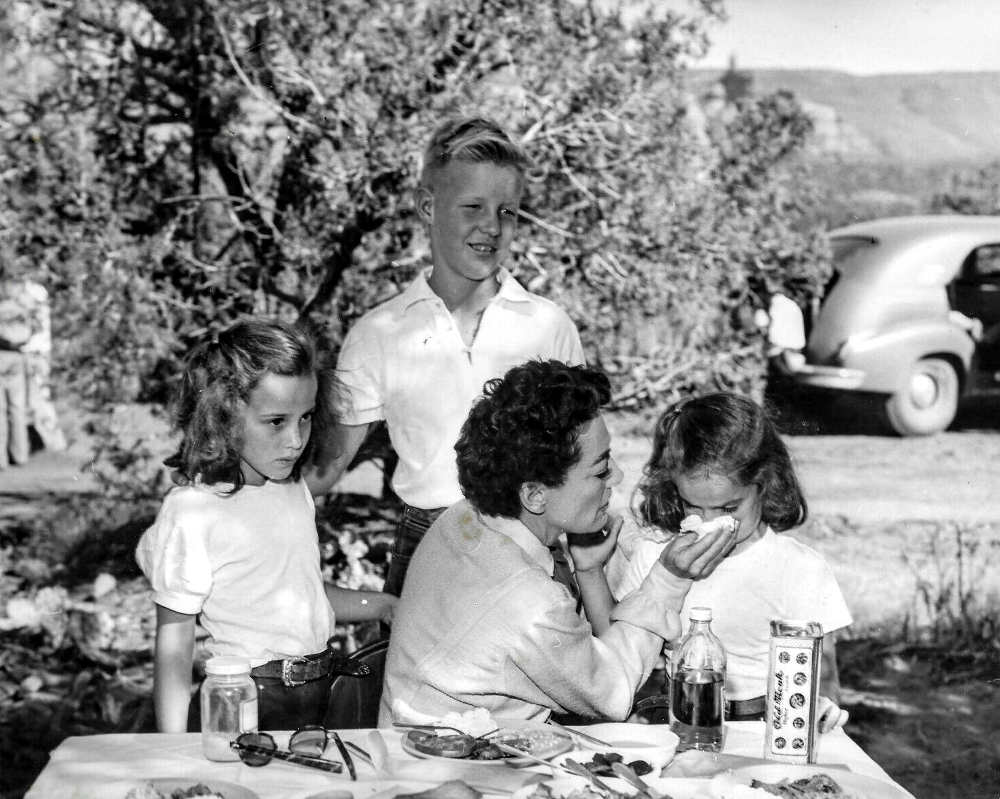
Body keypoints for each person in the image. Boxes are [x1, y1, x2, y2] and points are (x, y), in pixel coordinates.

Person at [307, 116, 585, 596]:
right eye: (472, 206)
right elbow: (324, 469)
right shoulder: (379, 333)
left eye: (508, 211)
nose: (491, 227)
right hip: (427, 551)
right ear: (428, 206)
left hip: (534, 550)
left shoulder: (548, 325)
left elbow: (583, 460)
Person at [378, 360, 738, 725]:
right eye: (600, 470)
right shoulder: (530, 603)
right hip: (443, 762)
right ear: (534, 496)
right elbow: (612, 693)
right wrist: (668, 580)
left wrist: (589, 568)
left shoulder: (462, 517)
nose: (618, 475)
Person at [136, 318, 396, 733]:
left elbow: (298, 593)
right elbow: (174, 643)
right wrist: (172, 750)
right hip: (248, 701)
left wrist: (380, 604)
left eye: (306, 417)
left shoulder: (291, 488)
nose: (296, 439)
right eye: (276, 421)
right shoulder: (194, 510)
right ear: (223, 415)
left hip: (320, 693)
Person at [608, 392, 852, 733]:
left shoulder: (799, 568)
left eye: (727, 508)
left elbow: (823, 679)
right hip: (678, 718)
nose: (709, 522)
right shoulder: (656, 557)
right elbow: (623, 653)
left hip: (770, 725)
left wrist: (824, 706)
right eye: (693, 506)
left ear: (763, 485)